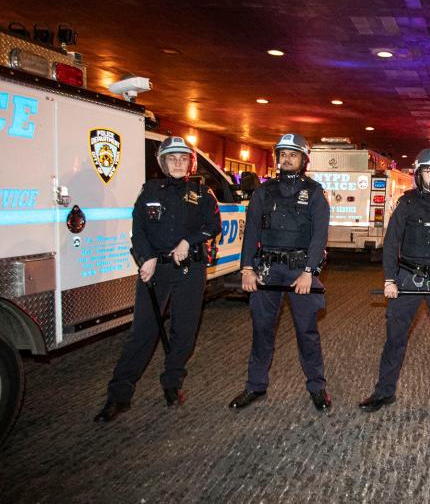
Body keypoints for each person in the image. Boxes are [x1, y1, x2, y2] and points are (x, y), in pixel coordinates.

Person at [94, 136, 221, 422]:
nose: (178, 162)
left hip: (189, 270)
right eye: (172, 158)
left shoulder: (202, 193)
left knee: (184, 331)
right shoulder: (149, 190)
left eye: (183, 158)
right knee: (142, 333)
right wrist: (145, 257)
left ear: (190, 162)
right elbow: (138, 229)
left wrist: (189, 241)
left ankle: (172, 383)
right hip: (155, 271)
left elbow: (213, 225)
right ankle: (119, 396)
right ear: (163, 162)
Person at [358, 149, 430, 415]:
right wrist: (389, 279)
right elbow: (391, 243)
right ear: (418, 173)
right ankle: (383, 392)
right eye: (428, 171)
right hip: (407, 278)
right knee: (395, 339)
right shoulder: (406, 203)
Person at [228, 133, 332, 412]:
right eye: (282, 154)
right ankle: (255, 386)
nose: (286, 158)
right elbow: (251, 232)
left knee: (306, 331)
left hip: (300, 270)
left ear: (303, 160)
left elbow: (319, 237)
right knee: (262, 330)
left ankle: (317, 386)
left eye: (293, 154)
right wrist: (247, 269)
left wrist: (309, 272)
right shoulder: (264, 191)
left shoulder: (314, 192)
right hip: (267, 270)